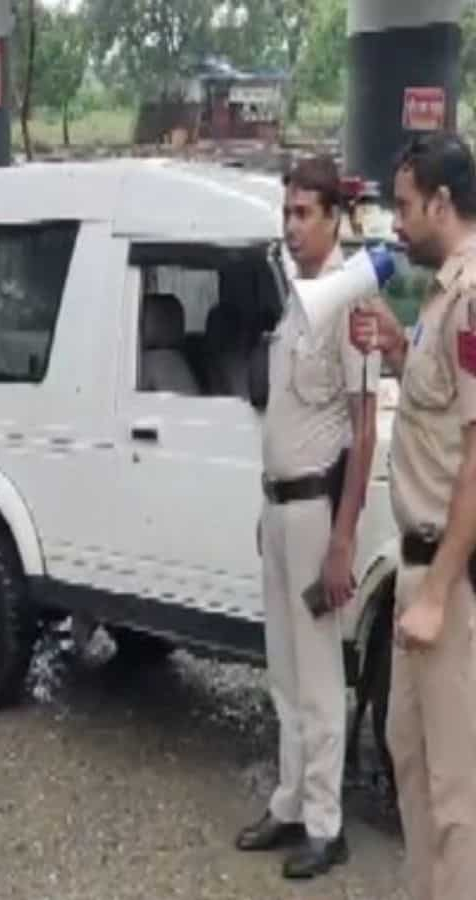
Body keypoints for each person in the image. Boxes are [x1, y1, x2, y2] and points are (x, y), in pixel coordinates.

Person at [236, 156, 381, 879]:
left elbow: (364, 428)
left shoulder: (351, 302)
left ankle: (327, 824)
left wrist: (344, 537)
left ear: (333, 218)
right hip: (280, 505)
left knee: (321, 678)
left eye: (304, 214)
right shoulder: (300, 298)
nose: (291, 226)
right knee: (284, 671)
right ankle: (290, 802)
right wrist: (267, 508)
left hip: (320, 511)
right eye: (286, 213)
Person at [351, 132, 476, 900]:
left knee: (457, 788)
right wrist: (402, 349)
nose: (394, 223)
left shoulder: (471, 297)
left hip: (450, 584)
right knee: (410, 753)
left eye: (403, 206)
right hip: (421, 569)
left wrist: (436, 594)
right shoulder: (439, 297)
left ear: (440, 201)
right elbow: (440, 401)